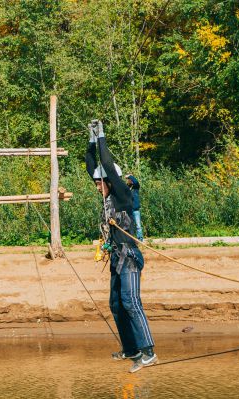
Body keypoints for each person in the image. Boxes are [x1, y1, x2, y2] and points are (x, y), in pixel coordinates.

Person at [85, 119, 157, 373]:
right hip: (117, 257)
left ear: (109, 182)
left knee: (131, 301)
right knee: (116, 304)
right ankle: (131, 349)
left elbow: (106, 167)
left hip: (130, 256)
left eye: (99, 183)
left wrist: (102, 135)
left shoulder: (123, 196)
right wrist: (92, 140)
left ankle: (148, 352)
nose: (97, 187)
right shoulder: (105, 198)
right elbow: (91, 164)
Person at [125, 174, 144, 241]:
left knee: (138, 226)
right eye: (128, 180)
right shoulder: (127, 188)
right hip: (129, 210)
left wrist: (130, 176)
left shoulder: (136, 187)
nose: (129, 181)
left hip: (135, 210)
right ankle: (131, 239)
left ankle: (140, 239)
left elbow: (136, 182)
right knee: (129, 226)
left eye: (130, 180)